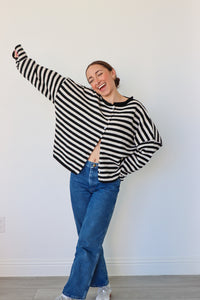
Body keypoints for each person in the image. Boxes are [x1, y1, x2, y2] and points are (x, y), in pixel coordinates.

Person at [12, 44, 162, 300]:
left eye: (99, 74)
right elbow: (52, 81)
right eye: (90, 79)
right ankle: (103, 286)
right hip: (79, 178)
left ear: (112, 73)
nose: (95, 81)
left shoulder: (134, 109)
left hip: (107, 183)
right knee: (89, 238)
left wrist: (121, 168)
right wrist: (22, 59)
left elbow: (152, 142)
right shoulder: (83, 98)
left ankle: (72, 294)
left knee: (88, 241)